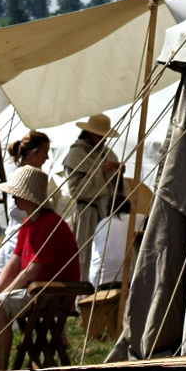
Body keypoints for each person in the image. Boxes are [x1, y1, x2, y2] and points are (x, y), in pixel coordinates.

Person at [0, 165, 80, 371]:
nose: (13, 197)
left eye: (17, 193)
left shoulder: (50, 223)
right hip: (34, 290)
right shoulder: (28, 223)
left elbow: (32, 270)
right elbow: (14, 264)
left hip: (53, 293)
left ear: (30, 196)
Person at [62, 113, 123, 268]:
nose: (102, 139)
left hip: (107, 212)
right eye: (98, 136)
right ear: (89, 133)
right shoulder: (76, 154)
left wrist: (118, 174)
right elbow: (75, 190)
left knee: (108, 255)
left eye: (104, 136)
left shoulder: (108, 153)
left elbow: (116, 188)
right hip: (87, 213)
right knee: (86, 256)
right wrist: (100, 173)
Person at [0, 131, 51, 286]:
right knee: (8, 286)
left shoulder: (36, 177)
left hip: (25, 240)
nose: (47, 157)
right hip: (17, 240)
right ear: (34, 152)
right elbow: (14, 210)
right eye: (45, 152)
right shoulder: (20, 175)